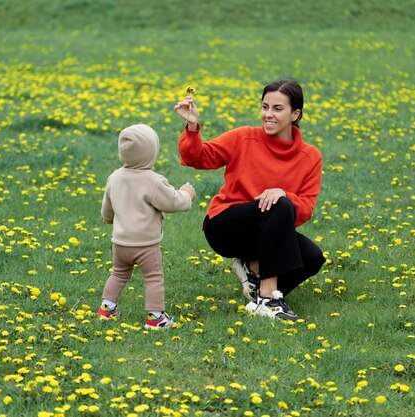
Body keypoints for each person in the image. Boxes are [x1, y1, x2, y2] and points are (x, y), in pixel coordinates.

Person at [173, 79, 326, 321]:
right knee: (278, 203)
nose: (268, 115)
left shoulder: (310, 157)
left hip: (267, 232)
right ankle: (268, 297)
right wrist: (192, 127)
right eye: (265, 107)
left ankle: (254, 280)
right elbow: (199, 158)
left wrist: (284, 193)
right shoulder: (244, 137)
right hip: (225, 225)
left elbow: (306, 208)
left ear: (295, 114)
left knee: (313, 257)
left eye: (278, 109)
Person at [98, 124, 196, 330]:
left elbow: (108, 205)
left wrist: (107, 219)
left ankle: (107, 309)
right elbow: (173, 202)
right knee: (153, 278)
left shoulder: (114, 177)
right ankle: (156, 317)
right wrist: (187, 194)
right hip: (145, 245)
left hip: (120, 243)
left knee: (118, 273)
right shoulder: (153, 181)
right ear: (152, 152)